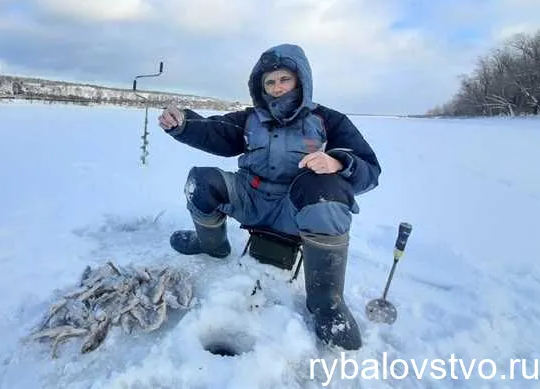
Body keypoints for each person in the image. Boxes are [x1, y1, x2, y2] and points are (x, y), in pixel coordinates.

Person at [157, 43, 381, 351]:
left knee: (327, 189)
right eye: (270, 82)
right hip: (251, 199)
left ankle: (326, 300)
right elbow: (214, 130)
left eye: (284, 79)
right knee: (201, 181)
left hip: (298, 209)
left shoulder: (330, 121)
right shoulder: (250, 119)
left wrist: (339, 162)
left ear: (301, 80)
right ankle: (212, 245)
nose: (277, 88)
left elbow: (370, 170)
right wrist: (183, 122)